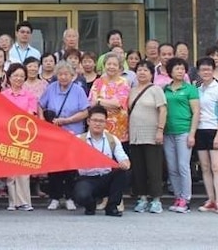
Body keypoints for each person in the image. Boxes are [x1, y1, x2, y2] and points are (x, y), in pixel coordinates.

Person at [39, 61, 89, 211]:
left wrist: (67, 120)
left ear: (73, 76)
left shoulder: (78, 90)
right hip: (54, 133)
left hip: (73, 131)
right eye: (60, 74)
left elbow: (85, 111)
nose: (63, 77)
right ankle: (54, 197)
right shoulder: (51, 88)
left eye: (66, 74)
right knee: (54, 167)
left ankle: (69, 197)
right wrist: (42, 121)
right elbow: (41, 104)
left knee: (71, 167)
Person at [73, 105, 131, 217]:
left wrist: (125, 163)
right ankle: (90, 206)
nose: (97, 124)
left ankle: (112, 207)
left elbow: (123, 158)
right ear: (88, 121)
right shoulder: (79, 140)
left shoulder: (112, 139)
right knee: (81, 195)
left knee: (124, 173)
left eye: (101, 121)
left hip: (105, 178)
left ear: (105, 123)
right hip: (87, 179)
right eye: (95, 120)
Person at [127, 61, 167, 214]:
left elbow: (163, 110)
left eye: (145, 70)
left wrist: (160, 130)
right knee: (139, 169)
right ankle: (142, 198)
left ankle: (156, 200)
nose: (142, 73)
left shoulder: (156, 90)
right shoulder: (132, 90)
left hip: (152, 134)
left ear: (151, 74)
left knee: (154, 169)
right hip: (135, 135)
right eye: (139, 70)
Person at [163, 57, 200, 214]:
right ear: (170, 71)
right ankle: (178, 196)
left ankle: (186, 198)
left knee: (183, 166)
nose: (180, 71)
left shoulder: (190, 89)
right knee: (172, 167)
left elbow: (196, 112)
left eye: (182, 68)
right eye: (176, 68)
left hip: (184, 130)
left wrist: (192, 134)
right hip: (168, 132)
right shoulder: (165, 89)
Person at [1, 63, 39, 211]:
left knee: (23, 170)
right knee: (10, 171)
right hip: (7, 133)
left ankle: (25, 201)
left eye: (21, 76)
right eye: (15, 75)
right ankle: (12, 201)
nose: (18, 78)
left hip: (24, 134)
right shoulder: (3, 95)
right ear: (9, 77)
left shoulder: (30, 96)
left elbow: (31, 114)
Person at [194, 57, 218, 214]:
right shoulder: (197, 89)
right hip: (200, 130)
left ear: (213, 70)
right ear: (199, 72)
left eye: (209, 69)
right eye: (203, 69)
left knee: (216, 167)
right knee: (206, 167)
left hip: (215, 130)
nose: (206, 72)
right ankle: (211, 199)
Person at [89, 53, 130, 149]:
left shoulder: (123, 82)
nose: (111, 67)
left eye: (115, 65)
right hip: (100, 128)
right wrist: (104, 103)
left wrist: (99, 101)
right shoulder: (98, 82)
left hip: (119, 131)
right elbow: (92, 104)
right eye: (109, 64)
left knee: (118, 161)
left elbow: (117, 104)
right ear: (104, 65)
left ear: (120, 67)